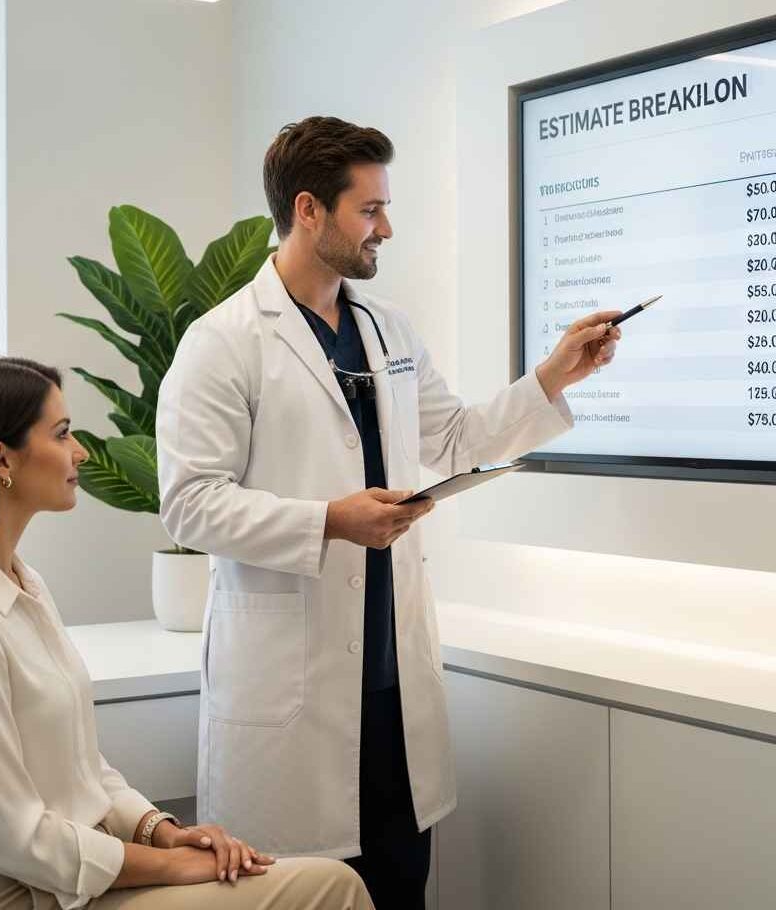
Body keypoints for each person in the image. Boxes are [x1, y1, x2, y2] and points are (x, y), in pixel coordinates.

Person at [155, 116, 621, 909]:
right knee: (306, 895)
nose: (387, 229)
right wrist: (328, 521)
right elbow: (190, 505)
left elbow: (455, 437)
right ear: (309, 210)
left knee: (402, 888)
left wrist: (552, 376)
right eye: (369, 211)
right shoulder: (222, 341)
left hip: (390, 687)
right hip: (289, 697)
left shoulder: (387, 329)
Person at [0, 355, 374, 910]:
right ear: (0, 458)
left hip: (73, 880)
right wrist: (173, 866)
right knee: (333, 888)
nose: (80, 452)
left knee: (322, 881)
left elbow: (82, 770)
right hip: (21, 896)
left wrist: (162, 831)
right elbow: (15, 837)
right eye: (62, 434)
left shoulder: (23, 585)